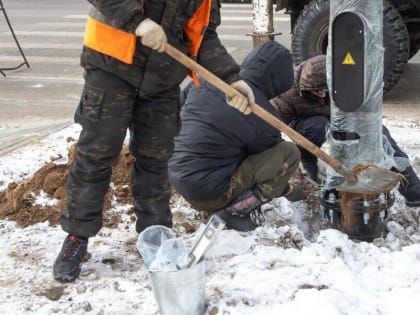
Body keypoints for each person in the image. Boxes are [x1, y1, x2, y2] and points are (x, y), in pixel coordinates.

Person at [53, 0, 256, 282]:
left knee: (156, 160)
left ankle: (155, 236)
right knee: (96, 155)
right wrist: (138, 21)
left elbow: (202, 33)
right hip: (112, 67)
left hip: (162, 81)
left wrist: (231, 79)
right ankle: (77, 236)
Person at [168, 40, 306, 233]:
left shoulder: (209, 79)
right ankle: (235, 212)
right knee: (288, 153)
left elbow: (175, 111)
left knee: (236, 141)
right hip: (209, 192)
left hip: (175, 173)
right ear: (278, 82)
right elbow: (268, 166)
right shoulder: (261, 113)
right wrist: (287, 190)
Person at [270, 54, 420, 207]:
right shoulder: (287, 91)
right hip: (307, 121)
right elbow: (274, 123)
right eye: (316, 91)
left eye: (325, 90)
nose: (321, 94)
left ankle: (411, 187)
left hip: (342, 115)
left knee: (381, 135)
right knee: (317, 127)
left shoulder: (347, 82)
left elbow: (366, 113)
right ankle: (310, 165)